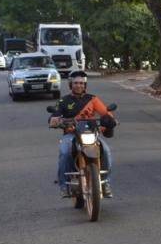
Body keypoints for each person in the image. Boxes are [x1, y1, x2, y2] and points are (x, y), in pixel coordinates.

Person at [49, 70, 117, 199]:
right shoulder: (63, 101)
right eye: (76, 83)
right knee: (64, 152)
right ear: (71, 84)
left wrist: (110, 120)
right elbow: (55, 114)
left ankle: (105, 184)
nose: (78, 85)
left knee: (106, 151)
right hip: (71, 135)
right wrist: (54, 120)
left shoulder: (92, 99)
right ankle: (64, 186)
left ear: (85, 85)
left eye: (81, 83)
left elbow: (105, 113)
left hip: (91, 134)